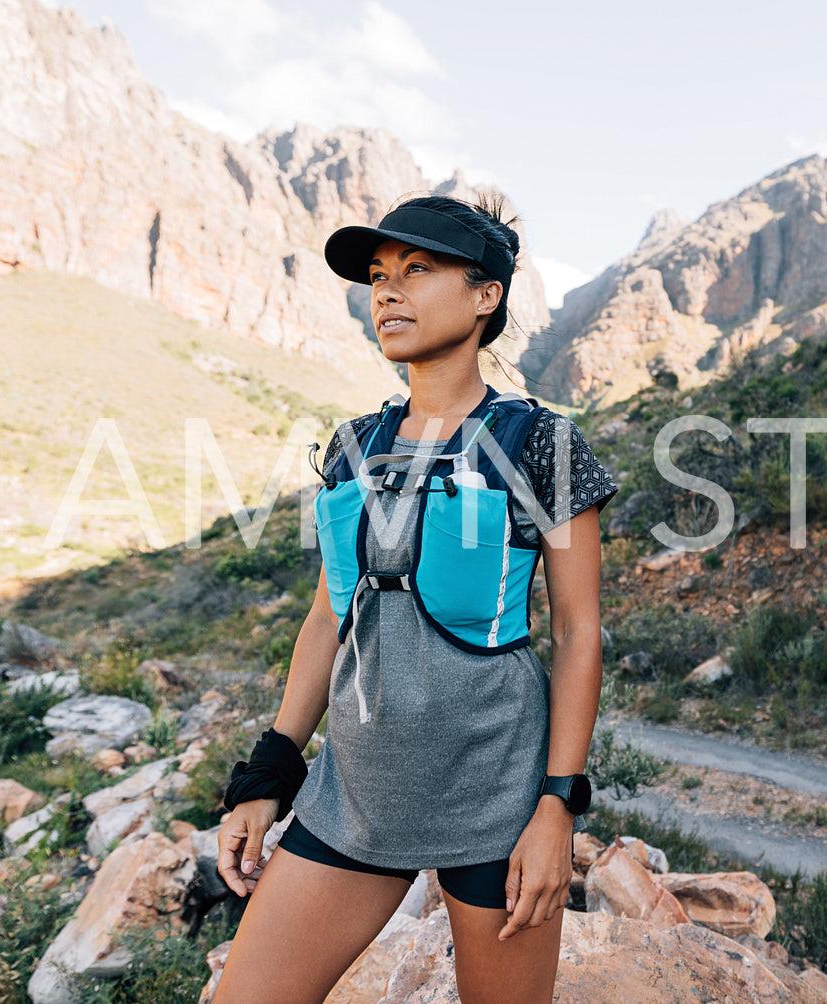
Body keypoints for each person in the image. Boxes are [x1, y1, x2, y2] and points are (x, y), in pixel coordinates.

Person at [211, 193, 618, 1004]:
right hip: (354, 797)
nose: (387, 293)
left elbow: (579, 634)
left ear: (485, 295)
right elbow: (330, 614)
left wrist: (556, 809)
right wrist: (269, 771)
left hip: (496, 800)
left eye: (417, 270)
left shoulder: (541, 442)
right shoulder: (352, 446)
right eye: (378, 276)